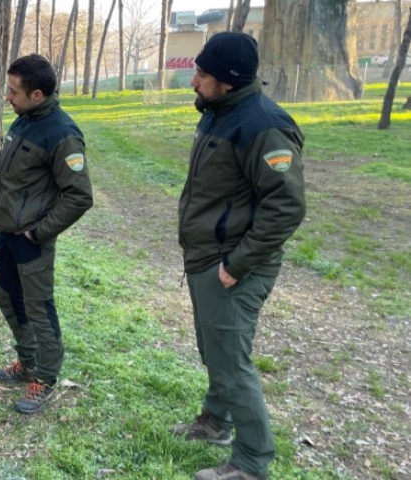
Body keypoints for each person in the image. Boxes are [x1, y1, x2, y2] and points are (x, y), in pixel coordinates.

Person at [171, 32, 306, 480]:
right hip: (207, 256)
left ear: (226, 81)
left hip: (233, 265)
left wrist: (236, 265)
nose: (194, 81)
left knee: (231, 361)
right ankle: (215, 422)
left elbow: (286, 207)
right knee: (216, 350)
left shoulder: (264, 126)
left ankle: (251, 462)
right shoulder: (220, 112)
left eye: (202, 74)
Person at [0, 54, 93, 415]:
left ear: (37, 94)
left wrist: (38, 233)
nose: (7, 97)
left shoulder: (63, 135)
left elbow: (80, 196)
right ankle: (27, 363)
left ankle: (46, 377)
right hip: (6, 234)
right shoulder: (25, 121)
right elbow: (4, 168)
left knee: (40, 309)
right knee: (10, 300)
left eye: (13, 91)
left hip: (32, 242)